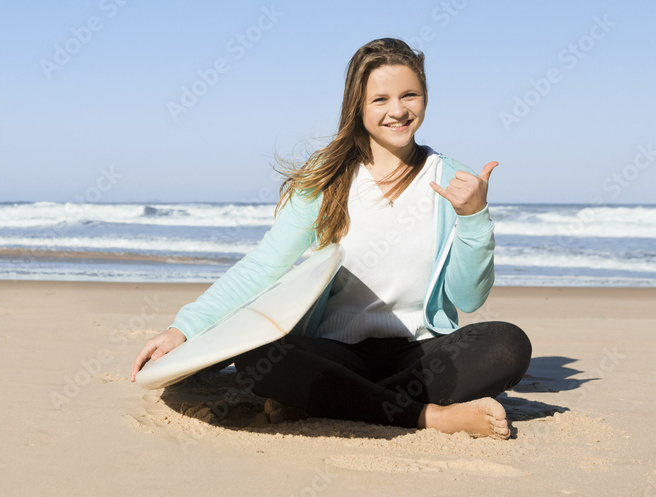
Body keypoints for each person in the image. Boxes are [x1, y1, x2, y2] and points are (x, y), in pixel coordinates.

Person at [131, 37, 532, 440]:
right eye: (380, 99)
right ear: (357, 106)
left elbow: (468, 298)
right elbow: (266, 264)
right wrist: (183, 328)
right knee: (259, 359)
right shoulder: (329, 178)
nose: (398, 110)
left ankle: (332, 402)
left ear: (425, 98)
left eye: (410, 95)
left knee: (507, 345)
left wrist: (475, 218)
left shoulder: (452, 180)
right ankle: (432, 417)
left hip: (420, 353)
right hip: (337, 352)